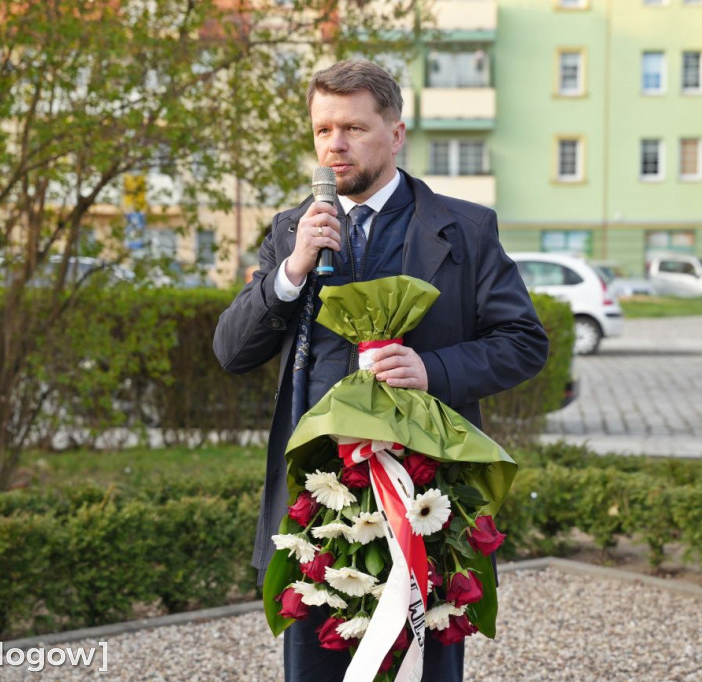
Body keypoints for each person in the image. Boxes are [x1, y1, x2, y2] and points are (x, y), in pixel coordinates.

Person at [213, 59, 548, 681]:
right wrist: (290, 271)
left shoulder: (467, 229)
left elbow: (524, 342)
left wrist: (433, 367)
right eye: (323, 130)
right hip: (315, 505)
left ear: (395, 135)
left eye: (353, 128)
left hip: (428, 503)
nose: (335, 145)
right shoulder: (291, 231)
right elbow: (232, 351)